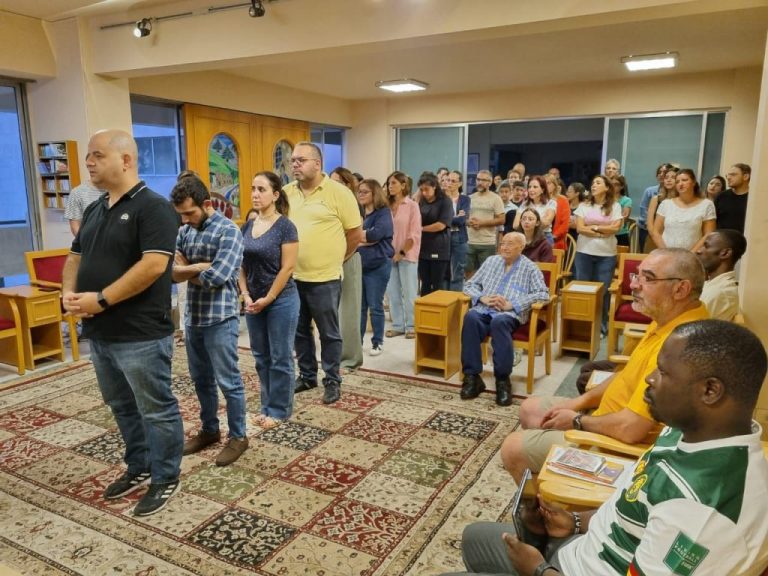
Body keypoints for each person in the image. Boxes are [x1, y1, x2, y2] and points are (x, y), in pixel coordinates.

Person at [444, 319, 768, 576]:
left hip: (572, 569)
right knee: (474, 537)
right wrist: (574, 521)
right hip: (583, 549)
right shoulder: (687, 430)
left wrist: (539, 570)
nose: (650, 379)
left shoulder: (707, 516)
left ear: (710, 391)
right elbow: (633, 504)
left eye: (663, 372)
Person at [500, 248, 709, 482]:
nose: (634, 285)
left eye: (648, 278)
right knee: (529, 408)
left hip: (616, 445)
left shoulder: (680, 346)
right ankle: (550, 479)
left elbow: (631, 429)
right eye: (637, 275)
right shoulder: (666, 318)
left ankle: (553, 502)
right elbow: (624, 376)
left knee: (512, 448)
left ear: (680, 289)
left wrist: (577, 421)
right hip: (606, 417)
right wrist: (578, 403)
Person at [61, 129, 184, 516]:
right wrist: (69, 294)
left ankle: (166, 476)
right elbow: (75, 257)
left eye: (97, 155)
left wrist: (101, 299)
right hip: (101, 333)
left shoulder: (154, 208)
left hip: (140, 334)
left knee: (155, 408)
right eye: (89, 156)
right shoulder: (95, 209)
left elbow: (153, 266)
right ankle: (139, 465)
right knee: (121, 405)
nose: (89, 162)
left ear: (126, 160)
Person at [171, 174, 248, 466]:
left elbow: (218, 277)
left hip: (220, 318)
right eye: (181, 215)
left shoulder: (229, 231)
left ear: (206, 204)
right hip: (194, 318)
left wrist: (187, 269)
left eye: (190, 213)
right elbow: (171, 272)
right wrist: (200, 266)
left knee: (229, 382)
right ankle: (210, 430)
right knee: (201, 379)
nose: (185, 220)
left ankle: (238, 436)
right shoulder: (185, 231)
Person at [285, 142, 363, 405]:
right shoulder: (286, 193)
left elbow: (355, 235)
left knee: (329, 333)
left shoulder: (339, 193)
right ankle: (308, 375)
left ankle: (332, 380)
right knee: (299, 331)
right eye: (293, 160)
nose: (295, 164)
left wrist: (335, 260)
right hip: (293, 277)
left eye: (301, 160)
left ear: (317, 164)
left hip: (325, 278)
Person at [460, 232, 550, 406]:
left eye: (510, 244)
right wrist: (481, 298)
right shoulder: (491, 261)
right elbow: (469, 284)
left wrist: (512, 304)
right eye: (503, 243)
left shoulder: (530, 268)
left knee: (499, 322)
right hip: (484, 309)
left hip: (509, 314)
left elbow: (543, 293)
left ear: (521, 247)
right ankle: (472, 377)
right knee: (470, 317)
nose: (505, 247)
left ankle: (502, 381)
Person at [239, 171, 298, 429]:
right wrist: (246, 294)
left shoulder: (286, 226)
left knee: (280, 356)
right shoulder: (247, 226)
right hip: (253, 301)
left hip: (281, 299)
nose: (255, 194)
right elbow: (240, 264)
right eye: (253, 188)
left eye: (261, 189)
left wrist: (269, 297)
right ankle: (266, 406)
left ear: (275, 195)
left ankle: (279, 410)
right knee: (261, 356)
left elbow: (287, 268)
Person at [573, 175, 623, 335]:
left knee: (603, 291)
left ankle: (601, 326)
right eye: (593, 182)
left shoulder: (615, 206)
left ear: (607, 187)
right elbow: (580, 228)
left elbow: (615, 229)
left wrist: (593, 227)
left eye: (598, 183)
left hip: (606, 255)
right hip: (584, 252)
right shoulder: (584, 206)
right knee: (583, 290)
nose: (593, 185)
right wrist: (602, 231)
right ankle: (583, 326)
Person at [330, 166, 364, 371]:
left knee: (349, 312)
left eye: (338, 182)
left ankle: (350, 358)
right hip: (329, 262)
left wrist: (339, 259)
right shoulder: (329, 203)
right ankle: (336, 354)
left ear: (348, 185)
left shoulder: (353, 204)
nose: (333, 186)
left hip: (347, 260)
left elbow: (355, 237)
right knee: (332, 313)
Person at [356, 178, 394, 356]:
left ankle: (377, 342)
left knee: (375, 305)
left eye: (365, 192)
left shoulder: (383, 212)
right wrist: (363, 238)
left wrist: (361, 238)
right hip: (361, 265)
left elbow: (376, 235)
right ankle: (357, 342)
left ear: (375, 193)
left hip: (378, 265)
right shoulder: (360, 212)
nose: (361, 195)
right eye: (359, 191)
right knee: (360, 307)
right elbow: (351, 236)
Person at [385, 170, 421, 339]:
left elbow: (414, 233)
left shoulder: (412, 205)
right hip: (388, 255)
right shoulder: (385, 206)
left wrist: (401, 252)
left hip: (407, 254)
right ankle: (398, 325)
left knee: (409, 292)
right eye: (388, 183)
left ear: (403, 185)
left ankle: (412, 325)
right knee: (392, 292)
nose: (390, 186)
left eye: (393, 183)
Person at [651, 168, 716, 252]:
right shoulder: (666, 204)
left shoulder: (706, 205)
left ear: (693, 182)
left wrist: (690, 254)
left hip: (693, 255)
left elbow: (708, 234)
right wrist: (667, 253)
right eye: (677, 182)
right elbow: (656, 232)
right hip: (666, 254)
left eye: (684, 180)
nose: (680, 184)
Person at [696, 229, 745, 321]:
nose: (698, 251)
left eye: (706, 246)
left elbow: (693, 326)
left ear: (725, 253)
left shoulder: (720, 293)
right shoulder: (712, 284)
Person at [417, 171, 453, 296]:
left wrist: (421, 229)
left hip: (439, 247)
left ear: (435, 186)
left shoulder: (445, 201)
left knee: (437, 284)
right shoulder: (421, 200)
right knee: (425, 283)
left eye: (426, 189)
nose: (424, 193)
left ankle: (437, 307)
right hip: (423, 247)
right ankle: (424, 307)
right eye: (421, 190)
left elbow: (441, 225)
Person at [466, 169, 505, 277]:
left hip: (487, 243)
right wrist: (468, 221)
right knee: (468, 272)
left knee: (487, 275)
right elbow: (463, 218)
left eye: (483, 180)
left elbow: (502, 219)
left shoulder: (496, 198)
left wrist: (482, 223)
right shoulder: (469, 198)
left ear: (490, 182)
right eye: (478, 179)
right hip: (469, 241)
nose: (480, 182)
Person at [445, 170, 471, 291]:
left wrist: (448, 219)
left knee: (458, 271)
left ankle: (455, 298)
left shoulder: (465, 199)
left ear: (460, 183)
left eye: (453, 181)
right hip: (444, 237)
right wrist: (454, 217)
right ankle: (444, 298)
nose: (449, 183)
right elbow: (440, 219)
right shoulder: (442, 198)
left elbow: (461, 221)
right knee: (444, 272)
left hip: (459, 237)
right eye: (448, 180)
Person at [512, 176, 557, 244]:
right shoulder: (524, 204)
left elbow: (546, 223)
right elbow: (515, 225)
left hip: (544, 236)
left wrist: (527, 220)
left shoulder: (551, 203)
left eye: (535, 187)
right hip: (526, 236)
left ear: (542, 190)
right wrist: (535, 221)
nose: (531, 190)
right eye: (529, 187)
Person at [645, 164, 679, 250]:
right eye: (666, 177)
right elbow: (650, 225)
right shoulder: (656, 199)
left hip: (674, 240)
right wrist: (658, 241)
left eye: (673, 177)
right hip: (654, 240)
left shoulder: (681, 201)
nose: (669, 180)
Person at [637, 163, 669, 251]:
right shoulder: (650, 191)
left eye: (664, 172)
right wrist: (652, 226)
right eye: (659, 172)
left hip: (666, 229)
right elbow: (643, 210)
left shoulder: (673, 194)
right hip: (646, 228)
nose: (661, 174)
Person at [715, 163, 751, 233]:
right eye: (727, 175)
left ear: (745, 177)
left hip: (745, 239)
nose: (728, 177)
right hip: (722, 238)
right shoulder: (721, 196)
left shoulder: (753, 199)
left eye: (733, 175)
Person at [545, 174, 570, 251]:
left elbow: (565, 224)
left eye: (548, 183)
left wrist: (552, 237)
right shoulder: (539, 200)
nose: (546, 185)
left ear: (555, 185)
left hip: (556, 240)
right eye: (543, 183)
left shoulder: (563, 200)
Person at [612, 175, 632, 247]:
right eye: (611, 184)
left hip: (620, 233)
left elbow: (624, 217)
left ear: (622, 186)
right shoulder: (605, 199)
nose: (613, 186)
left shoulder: (626, 200)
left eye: (616, 184)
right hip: (606, 232)